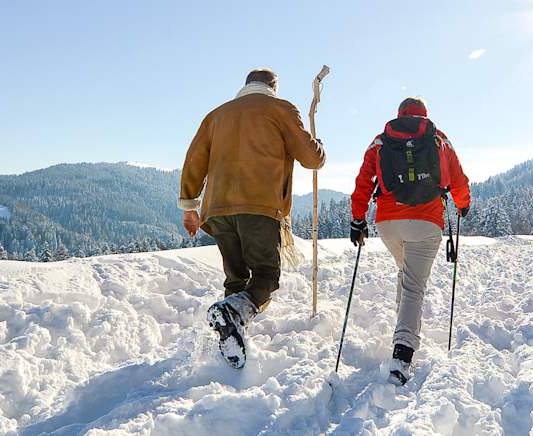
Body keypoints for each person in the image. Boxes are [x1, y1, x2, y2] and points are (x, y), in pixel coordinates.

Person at [179, 68, 326, 369]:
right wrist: (319, 146)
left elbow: (194, 160)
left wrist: (190, 206)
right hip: (259, 207)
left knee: (236, 283)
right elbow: (311, 158)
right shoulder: (281, 109)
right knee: (265, 277)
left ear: (245, 86)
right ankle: (233, 317)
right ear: (273, 86)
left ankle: (232, 342)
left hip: (217, 211)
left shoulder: (217, 115)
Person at [349, 96, 471, 386]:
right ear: (424, 115)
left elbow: (363, 182)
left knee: (406, 274)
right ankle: (402, 354)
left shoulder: (380, 141)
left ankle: (403, 324)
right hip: (426, 221)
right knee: (414, 285)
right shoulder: (438, 139)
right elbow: (458, 180)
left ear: (400, 114)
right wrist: (462, 203)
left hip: (388, 222)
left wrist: (357, 219)